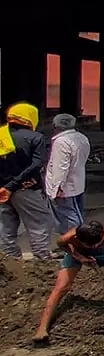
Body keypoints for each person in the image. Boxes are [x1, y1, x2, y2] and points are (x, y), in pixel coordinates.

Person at [33, 220, 104, 344]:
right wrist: (79, 257)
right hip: (77, 254)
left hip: (103, 253)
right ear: (77, 238)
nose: (93, 246)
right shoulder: (67, 238)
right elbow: (62, 245)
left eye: (97, 243)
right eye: (90, 245)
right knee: (61, 287)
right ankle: (42, 328)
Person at [0, 103, 56, 260]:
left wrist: (5, 186)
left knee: (6, 225)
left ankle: (9, 259)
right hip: (26, 188)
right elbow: (37, 164)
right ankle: (42, 257)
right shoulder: (35, 138)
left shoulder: (1, 135)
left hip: (2, 191)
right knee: (40, 221)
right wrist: (14, 185)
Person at [45, 114, 90, 234]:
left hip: (65, 188)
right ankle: (81, 240)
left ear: (55, 125)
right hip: (78, 183)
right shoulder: (81, 137)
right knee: (77, 214)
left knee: (68, 218)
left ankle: (75, 243)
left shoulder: (61, 142)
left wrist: (58, 187)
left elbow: (61, 167)